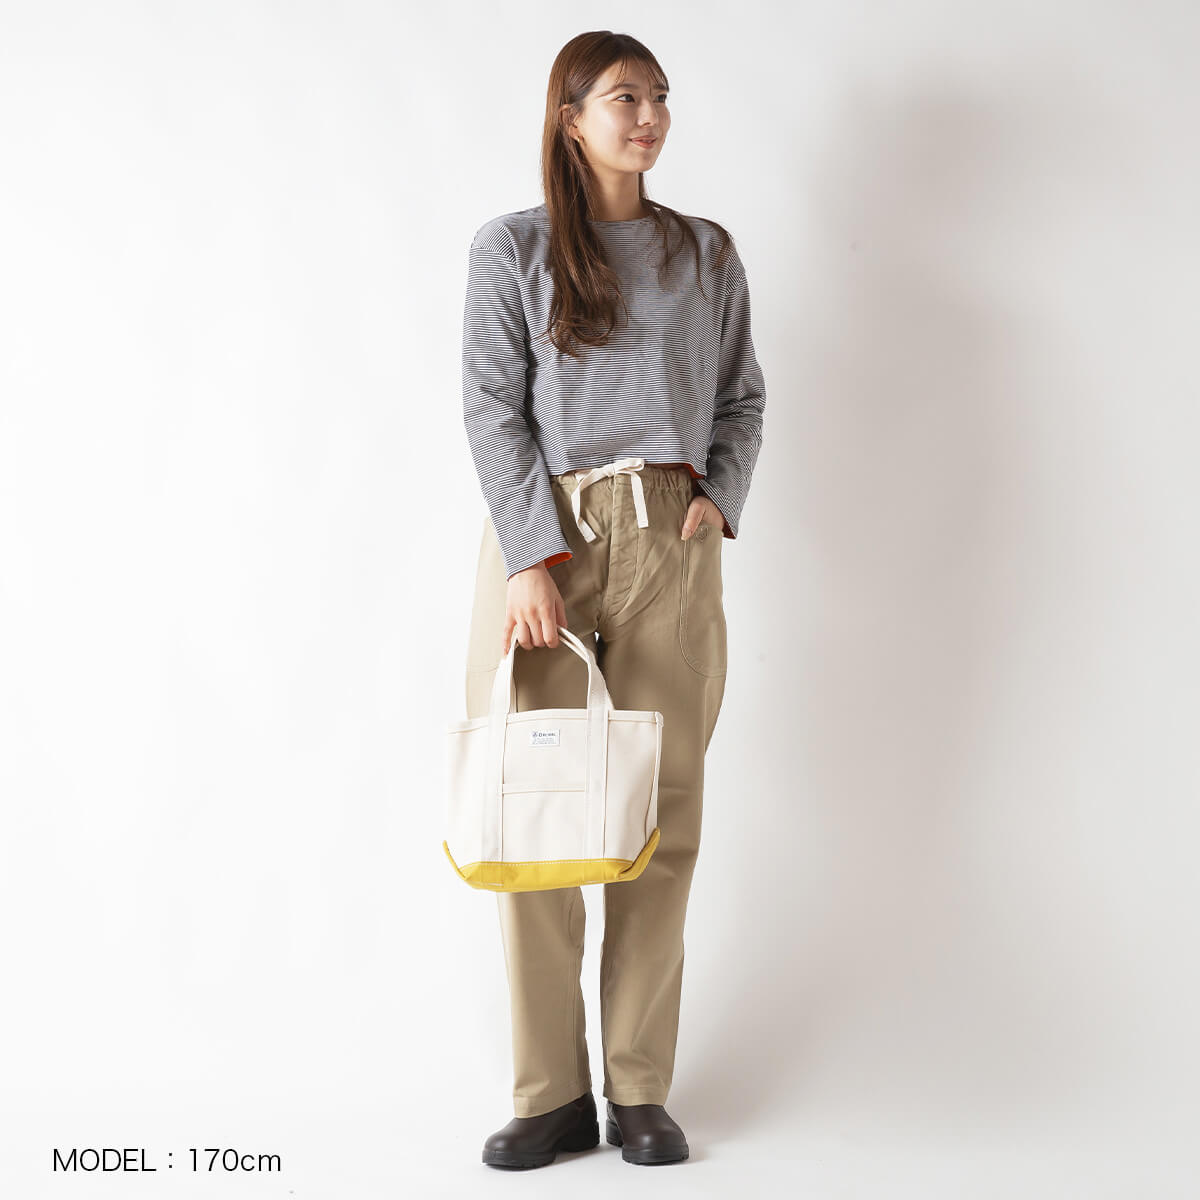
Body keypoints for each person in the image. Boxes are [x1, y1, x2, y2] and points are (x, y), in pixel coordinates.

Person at [460, 30, 766, 1169]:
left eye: (660, 97)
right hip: (547, 540)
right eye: (624, 97)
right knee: (531, 808)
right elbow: (491, 405)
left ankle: (639, 1088)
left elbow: (741, 394)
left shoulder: (704, 251)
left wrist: (717, 499)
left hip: (671, 539)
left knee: (659, 814)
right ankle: (549, 1094)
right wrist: (529, 557)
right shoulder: (515, 247)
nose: (649, 116)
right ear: (571, 116)